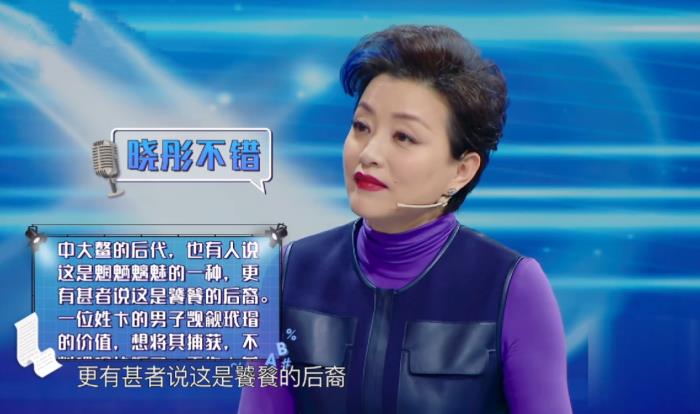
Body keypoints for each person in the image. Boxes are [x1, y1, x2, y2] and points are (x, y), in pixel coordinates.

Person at [238, 24, 572, 414]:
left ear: (461, 170)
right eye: (362, 127)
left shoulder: (512, 287)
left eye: (404, 137)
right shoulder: (286, 274)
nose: (369, 154)